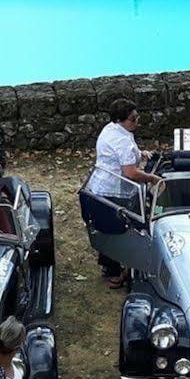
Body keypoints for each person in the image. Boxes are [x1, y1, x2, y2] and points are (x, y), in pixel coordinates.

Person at [80, 98, 162, 289]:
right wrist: (152, 178)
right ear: (120, 120)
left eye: (137, 117)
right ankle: (124, 271)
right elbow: (131, 173)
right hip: (115, 190)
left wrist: (140, 153)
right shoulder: (122, 139)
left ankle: (110, 267)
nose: (137, 122)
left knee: (106, 227)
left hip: (100, 186)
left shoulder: (111, 129)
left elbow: (121, 153)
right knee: (125, 230)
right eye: (133, 119)